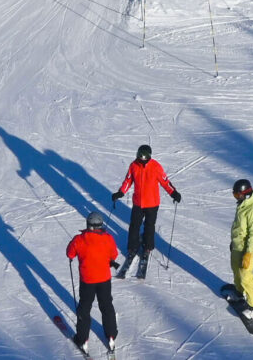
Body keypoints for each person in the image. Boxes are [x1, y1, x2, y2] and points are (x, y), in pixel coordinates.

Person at [109, 144, 183, 279]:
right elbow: (128, 180)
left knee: (149, 226)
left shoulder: (156, 167)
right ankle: (132, 248)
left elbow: (165, 182)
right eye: (140, 157)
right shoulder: (133, 165)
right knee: (134, 225)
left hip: (152, 203)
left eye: (144, 158)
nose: (142, 160)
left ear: (149, 157)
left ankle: (147, 247)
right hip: (138, 202)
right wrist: (121, 192)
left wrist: (174, 193)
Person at [64, 212, 120, 353]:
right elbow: (114, 254)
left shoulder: (79, 239)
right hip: (104, 280)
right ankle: (111, 335)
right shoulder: (108, 238)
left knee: (84, 308)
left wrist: (73, 244)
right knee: (106, 306)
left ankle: (82, 340)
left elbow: (70, 254)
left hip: (87, 281)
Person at [227, 179, 253, 322]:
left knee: (245, 275)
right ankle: (239, 292)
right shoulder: (243, 205)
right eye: (235, 195)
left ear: (245, 194)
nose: (236, 198)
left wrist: (248, 253)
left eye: (237, 195)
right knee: (235, 269)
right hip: (237, 245)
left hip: (246, 248)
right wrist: (233, 242)